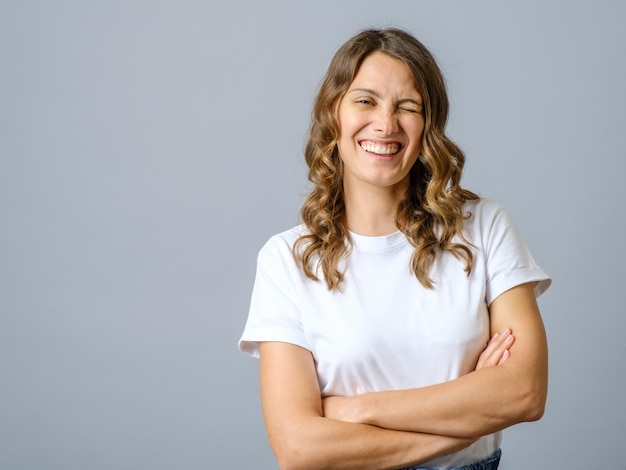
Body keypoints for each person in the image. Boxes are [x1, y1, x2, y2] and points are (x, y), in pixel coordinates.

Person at [238, 27, 551, 470]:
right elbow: (299, 448)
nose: (385, 124)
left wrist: (357, 409)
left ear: (428, 126)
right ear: (334, 113)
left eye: (407, 107)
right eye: (365, 100)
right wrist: (467, 424)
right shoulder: (285, 260)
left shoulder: (484, 227)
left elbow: (524, 392)